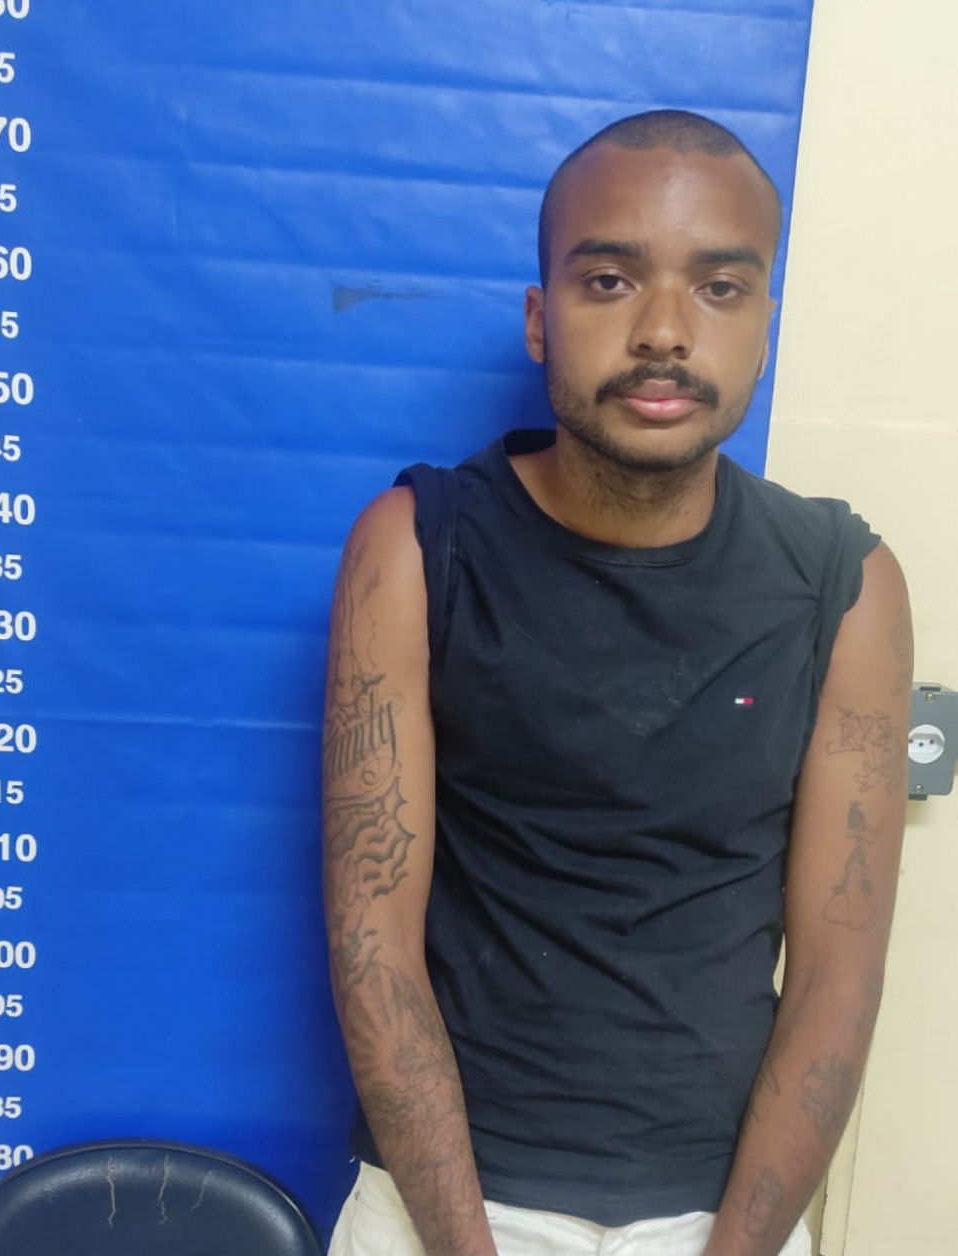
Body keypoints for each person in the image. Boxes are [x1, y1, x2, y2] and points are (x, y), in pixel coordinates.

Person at [321, 110, 911, 1256]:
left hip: (724, 1214)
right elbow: (370, 943)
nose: (664, 331)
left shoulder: (846, 587)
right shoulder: (414, 547)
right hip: (439, 1205)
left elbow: (838, 975)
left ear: (767, 322)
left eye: (720, 288)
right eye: (608, 280)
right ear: (540, 318)